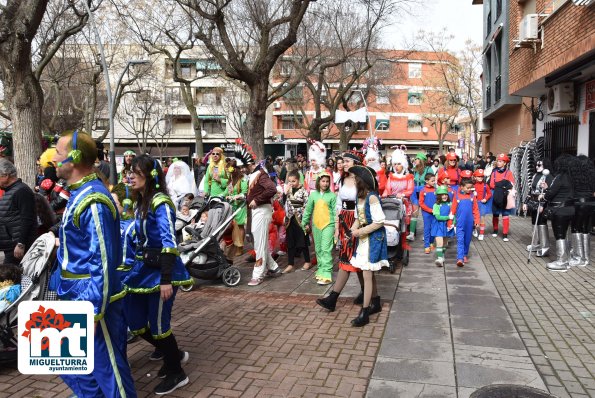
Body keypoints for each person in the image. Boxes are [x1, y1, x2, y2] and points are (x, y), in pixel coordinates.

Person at [49, 131, 136, 397]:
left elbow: (103, 262)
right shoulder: (80, 193)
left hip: (92, 301)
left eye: (59, 153)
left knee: (109, 373)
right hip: (73, 296)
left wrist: (94, 310)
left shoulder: (94, 200)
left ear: (74, 159)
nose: (53, 158)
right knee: (69, 363)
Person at [125, 155, 193, 394]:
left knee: (159, 325)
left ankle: (176, 372)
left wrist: (166, 280)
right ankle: (172, 354)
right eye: (129, 172)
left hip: (163, 272)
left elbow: (168, 241)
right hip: (142, 270)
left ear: (150, 176)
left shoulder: (160, 202)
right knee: (134, 321)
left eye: (135, 173)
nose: (129, 176)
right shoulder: (139, 201)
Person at [316, 153, 364, 311]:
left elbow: (361, 205)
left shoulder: (360, 181)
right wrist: (337, 223)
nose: (343, 164)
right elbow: (339, 202)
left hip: (356, 222)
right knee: (352, 260)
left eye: (347, 161)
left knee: (350, 259)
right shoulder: (342, 179)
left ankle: (333, 297)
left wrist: (355, 226)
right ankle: (367, 293)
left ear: (356, 163)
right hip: (344, 219)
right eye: (343, 161)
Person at [347, 165, 388, 327]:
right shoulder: (360, 197)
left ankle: (364, 312)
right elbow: (359, 218)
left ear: (361, 181)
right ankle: (375, 302)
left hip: (373, 239)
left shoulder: (372, 198)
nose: (353, 181)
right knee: (365, 272)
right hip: (364, 238)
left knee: (367, 273)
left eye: (355, 179)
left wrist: (359, 232)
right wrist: (352, 230)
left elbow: (379, 222)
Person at [237, 140, 282, 286]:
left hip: (261, 212)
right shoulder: (255, 174)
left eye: (243, 167)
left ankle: (258, 274)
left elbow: (272, 189)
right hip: (258, 212)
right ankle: (274, 268)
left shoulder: (260, 174)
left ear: (249, 164)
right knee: (259, 243)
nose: (241, 170)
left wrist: (256, 200)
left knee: (260, 244)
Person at [301, 172, 336, 285]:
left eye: (327, 181)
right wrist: (304, 222)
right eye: (323, 181)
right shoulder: (313, 195)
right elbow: (308, 210)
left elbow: (336, 212)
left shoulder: (332, 196)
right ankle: (321, 270)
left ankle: (326, 273)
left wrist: (336, 227)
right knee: (318, 249)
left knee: (326, 249)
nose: (325, 184)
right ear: (318, 182)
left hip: (328, 225)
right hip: (316, 225)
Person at [0, 159, 37, 265]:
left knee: (10, 277)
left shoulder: (21, 191)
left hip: (17, 246)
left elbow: (27, 218)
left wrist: (21, 243)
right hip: (10, 246)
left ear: (6, 175)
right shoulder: (10, 191)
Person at [542, 154, 575, 272]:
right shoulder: (573, 178)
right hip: (570, 209)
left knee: (559, 234)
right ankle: (566, 259)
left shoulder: (560, 177)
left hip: (559, 210)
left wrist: (545, 192)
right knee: (566, 234)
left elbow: (550, 193)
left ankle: (561, 261)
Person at [282, 169, 311, 273]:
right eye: (290, 181)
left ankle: (307, 261)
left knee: (302, 241)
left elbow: (307, 206)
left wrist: (306, 221)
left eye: (293, 181)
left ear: (298, 180)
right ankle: (290, 264)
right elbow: (284, 203)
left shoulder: (303, 191)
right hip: (290, 219)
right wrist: (285, 194)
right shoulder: (288, 190)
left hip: (301, 219)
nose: (291, 183)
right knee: (290, 242)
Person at [567, 155, 594, 267]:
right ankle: (586, 258)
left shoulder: (573, 175)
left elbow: (570, 191)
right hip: (591, 203)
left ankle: (578, 257)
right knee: (586, 229)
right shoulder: (592, 174)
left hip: (578, 203)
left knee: (576, 228)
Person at [449, 173, 480, 267]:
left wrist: (477, 221)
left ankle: (465, 254)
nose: (469, 190)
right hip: (460, 223)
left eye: (471, 188)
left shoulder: (472, 197)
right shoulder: (457, 197)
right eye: (467, 188)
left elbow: (476, 209)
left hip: (469, 223)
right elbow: (453, 210)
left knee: (467, 240)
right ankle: (460, 258)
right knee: (460, 240)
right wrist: (450, 221)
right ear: (461, 187)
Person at [523, 159, 552, 255]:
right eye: (536, 165)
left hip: (542, 203)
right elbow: (531, 190)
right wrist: (525, 202)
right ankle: (535, 244)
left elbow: (549, 192)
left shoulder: (548, 176)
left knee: (541, 223)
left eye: (540, 165)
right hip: (533, 202)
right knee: (534, 222)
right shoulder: (535, 175)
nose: (537, 167)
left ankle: (544, 247)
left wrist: (543, 204)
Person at [489, 153, 515, 241]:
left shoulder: (509, 173)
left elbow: (511, 184)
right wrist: (502, 184)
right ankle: (495, 230)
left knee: (505, 214)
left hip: (505, 196)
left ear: (505, 163)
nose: (498, 163)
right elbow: (491, 184)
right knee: (495, 214)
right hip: (496, 195)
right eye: (498, 161)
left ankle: (505, 234)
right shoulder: (494, 172)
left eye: (500, 161)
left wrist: (498, 185)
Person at [226, 159, 249, 257]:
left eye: (230, 170)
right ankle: (234, 244)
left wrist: (236, 196)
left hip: (241, 206)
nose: (229, 173)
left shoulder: (243, 179)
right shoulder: (231, 178)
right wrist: (222, 195)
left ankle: (240, 247)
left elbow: (244, 193)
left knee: (239, 226)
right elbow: (228, 190)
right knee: (232, 226)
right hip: (232, 205)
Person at [410, 152, 432, 241]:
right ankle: (411, 234)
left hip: (425, 194)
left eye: (417, 159)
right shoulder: (414, 170)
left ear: (422, 160)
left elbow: (432, 182)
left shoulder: (428, 169)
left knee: (425, 215)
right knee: (414, 213)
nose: (415, 160)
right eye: (415, 159)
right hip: (415, 193)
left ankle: (427, 234)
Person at [432, 186, 454, 267]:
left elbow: (453, 214)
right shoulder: (436, 205)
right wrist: (448, 217)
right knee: (439, 243)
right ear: (438, 196)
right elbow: (438, 217)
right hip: (438, 225)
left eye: (445, 194)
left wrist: (453, 222)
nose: (444, 196)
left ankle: (442, 255)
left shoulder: (450, 204)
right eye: (442, 195)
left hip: (447, 226)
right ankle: (440, 258)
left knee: (445, 243)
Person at [418, 173, 437, 254]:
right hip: (426, 213)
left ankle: (431, 242)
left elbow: (438, 201)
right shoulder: (423, 191)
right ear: (426, 181)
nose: (434, 182)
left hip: (435, 213)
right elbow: (421, 203)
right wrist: (430, 210)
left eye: (434, 180)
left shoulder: (436, 190)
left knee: (434, 228)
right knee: (427, 229)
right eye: (432, 181)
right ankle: (426, 245)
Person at [473, 169, 492, 241]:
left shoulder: (485, 185)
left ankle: (481, 233)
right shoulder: (473, 185)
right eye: (478, 176)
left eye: (481, 176)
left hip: (482, 203)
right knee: (474, 218)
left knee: (482, 219)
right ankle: (474, 229)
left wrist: (486, 199)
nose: (480, 178)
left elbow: (490, 193)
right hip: (474, 204)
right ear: (475, 177)